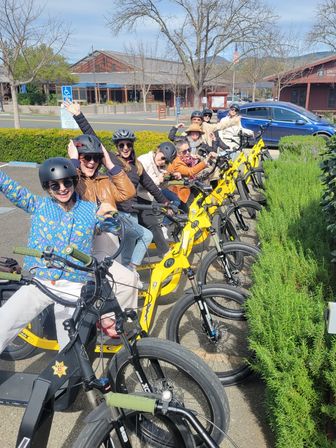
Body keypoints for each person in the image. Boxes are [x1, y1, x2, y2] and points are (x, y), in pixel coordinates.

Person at [0, 157, 136, 352]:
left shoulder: (90, 210)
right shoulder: (39, 206)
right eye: (55, 185)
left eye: (67, 183)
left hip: (73, 287)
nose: (62, 188)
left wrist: (112, 214)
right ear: (47, 187)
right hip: (41, 282)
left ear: (74, 182)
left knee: (70, 344)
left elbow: (115, 227)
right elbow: (11, 188)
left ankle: (72, 380)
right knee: (5, 320)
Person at [137, 141, 181, 239]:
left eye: (166, 161)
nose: (163, 162)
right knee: (152, 226)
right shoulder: (144, 161)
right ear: (157, 150)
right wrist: (158, 180)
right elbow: (139, 183)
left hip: (155, 193)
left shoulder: (161, 165)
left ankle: (164, 226)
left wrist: (171, 177)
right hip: (141, 196)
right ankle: (161, 230)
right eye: (162, 158)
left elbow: (162, 186)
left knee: (176, 201)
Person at [166, 138, 217, 210]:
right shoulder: (177, 163)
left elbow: (195, 165)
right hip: (181, 193)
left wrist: (199, 158)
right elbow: (191, 172)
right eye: (184, 151)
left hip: (189, 186)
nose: (187, 153)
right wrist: (207, 159)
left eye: (188, 150)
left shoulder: (187, 159)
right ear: (178, 153)